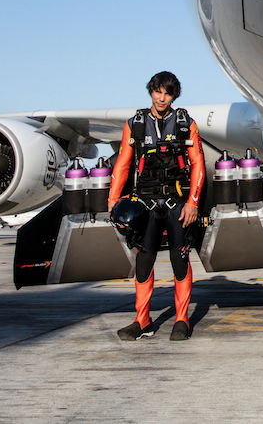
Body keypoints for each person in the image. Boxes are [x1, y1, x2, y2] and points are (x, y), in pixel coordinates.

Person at [108, 71, 205, 341]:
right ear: (151, 91)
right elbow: (123, 164)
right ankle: (142, 321)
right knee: (144, 261)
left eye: (168, 93)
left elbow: (198, 163)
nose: (162, 98)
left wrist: (193, 203)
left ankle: (182, 319)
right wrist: (113, 201)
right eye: (158, 92)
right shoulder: (135, 124)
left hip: (177, 203)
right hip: (145, 202)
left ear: (174, 96)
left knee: (179, 259)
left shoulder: (186, 123)